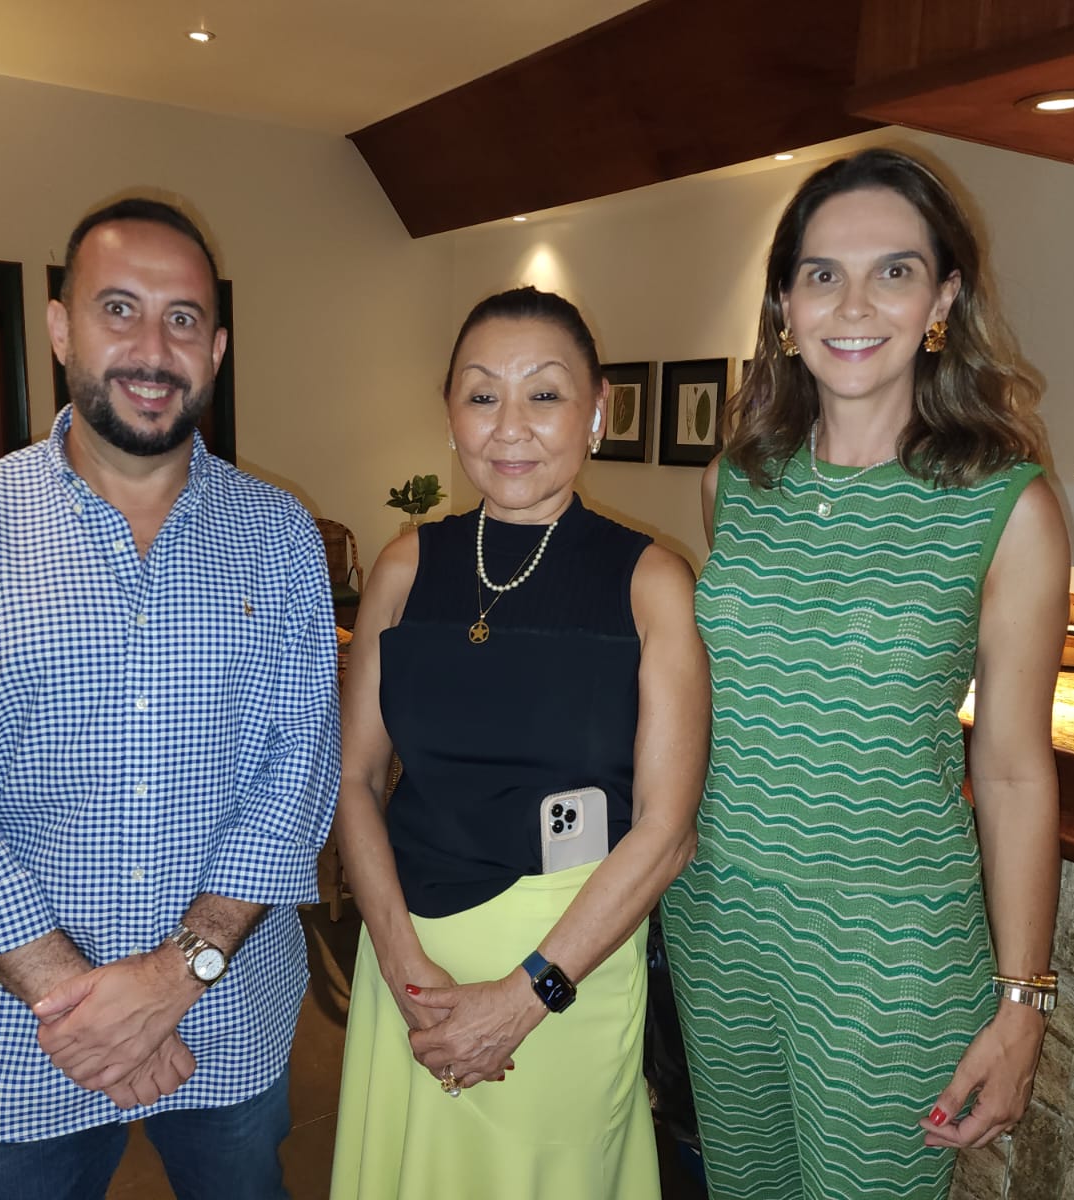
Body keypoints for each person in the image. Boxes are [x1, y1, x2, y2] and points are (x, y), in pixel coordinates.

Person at [0, 197, 340, 1200]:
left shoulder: (280, 536)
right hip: (21, 1038)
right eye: (118, 309)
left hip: (226, 1021)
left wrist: (174, 980)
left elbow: (294, 775)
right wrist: (74, 1006)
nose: (151, 346)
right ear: (59, 328)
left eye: (181, 320)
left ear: (214, 349)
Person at [662, 148, 1068, 1200]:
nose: (853, 303)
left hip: (890, 956)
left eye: (893, 271)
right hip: (719, 933)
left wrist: (1021, 1002)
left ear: (943, 297)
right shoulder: (734, 483)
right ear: (784, 307)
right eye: (820, 274)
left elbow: (1016, 771)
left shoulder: (1004, 505)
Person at [328, 286, 709, 1198]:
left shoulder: (650, 582)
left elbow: (668, 831)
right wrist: (397, 959)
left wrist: (526, 994)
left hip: (566, 968)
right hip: (411, 956)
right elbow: (354, 777)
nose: (509, 426)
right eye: (480, 392)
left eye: (543, 394)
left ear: (597, 412)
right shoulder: (406, 565)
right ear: (450, 412)